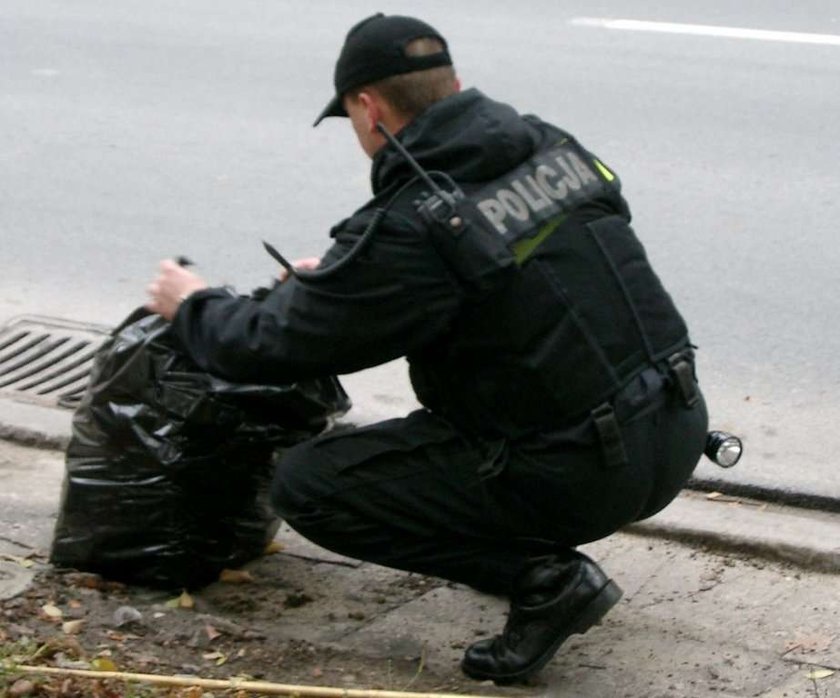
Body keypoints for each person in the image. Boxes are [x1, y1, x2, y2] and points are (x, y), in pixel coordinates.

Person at [146, 13, 709, 684]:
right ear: (456, 85)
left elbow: (269, 346)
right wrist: (344, 278)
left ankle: (545, 578)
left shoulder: (419, 220)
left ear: (369, 106)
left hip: (584, 473)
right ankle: (526, 537)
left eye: (352, 117)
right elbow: (506, 267)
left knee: (311, 484)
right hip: (676, 425)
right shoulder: (550, 146)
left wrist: (194, 304)